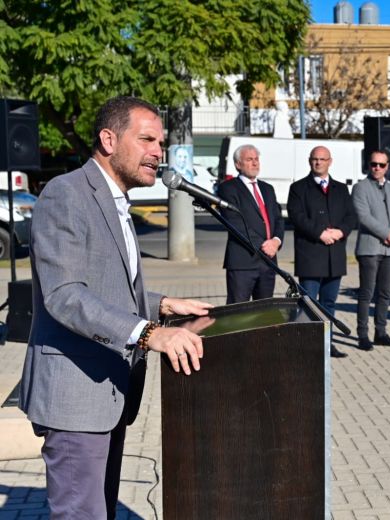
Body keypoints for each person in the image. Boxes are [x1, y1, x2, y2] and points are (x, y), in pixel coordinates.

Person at [19, 96, 213, 519]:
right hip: (74, 396)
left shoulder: (117, 200)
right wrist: (149, 332)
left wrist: (159, 303)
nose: (158, 152)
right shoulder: (65, 194)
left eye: (160, 142)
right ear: (108, 139)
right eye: (146, 139)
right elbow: (65, 294)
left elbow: (106, 287)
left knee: (99, 511)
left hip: (109, 392)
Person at [287, 145, 357, 358]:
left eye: (322, 159)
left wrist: (340, 232)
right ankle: (306, 347)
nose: (318, 162)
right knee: (308, 304)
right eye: (315, 159)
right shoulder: (298, 188)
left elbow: (351, 216)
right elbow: (297, 217)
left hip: (334, 256)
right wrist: (320, 233)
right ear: (310, 161)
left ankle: (328, 344)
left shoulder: (340, 188)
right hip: (311, 255)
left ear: (330, 161)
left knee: (329, 303)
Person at [352, 150, 390, 351]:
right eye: (374, 164)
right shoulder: (360, 188)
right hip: (370, 248)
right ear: (368, 165)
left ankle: (381, 332)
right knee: (367, 293)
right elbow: (364, 217)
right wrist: (386, 233)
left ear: (387, 166)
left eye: (381, 165)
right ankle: (362, 335)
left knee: (385, 292)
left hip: (389, 249)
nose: (377, 168)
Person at [218, 144, 284, 303]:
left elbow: (278, 219)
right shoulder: (228, 188)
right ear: (238, 164)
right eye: (249, 159)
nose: (255, 163)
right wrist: (263, 245)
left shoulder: (267, 188)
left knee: (264, 313)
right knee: (238, 314)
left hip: (268, 262)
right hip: (243, 263)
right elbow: (234, 223)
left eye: (256, 159)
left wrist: (276, 241)